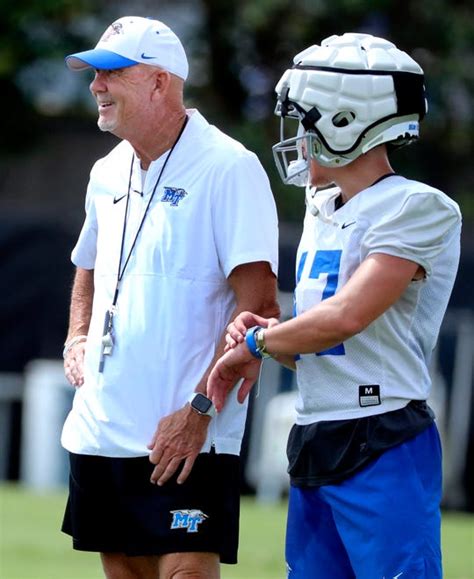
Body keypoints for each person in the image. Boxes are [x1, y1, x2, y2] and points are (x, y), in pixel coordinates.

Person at [208, 32, 462, 578]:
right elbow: (326, 349)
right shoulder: (323, 208)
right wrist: (271, 338)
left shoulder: (416, 207)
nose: (297, 137)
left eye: (305, 120)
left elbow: (348, 316)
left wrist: (259, 341)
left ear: (345, 120)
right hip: (316, 430)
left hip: (383, 435)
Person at [60, 15, 279, 579]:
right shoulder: (106, 170)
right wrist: (77, 333)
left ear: (160, 83)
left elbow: (260, 306)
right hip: (104, 428)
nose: (95, 86)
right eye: (94, 73)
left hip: (187, 435)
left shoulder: (230, 167)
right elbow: (87, 262)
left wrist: (201, 410)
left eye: (111, 73)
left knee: (185, 572)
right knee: (125, 572)